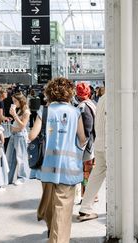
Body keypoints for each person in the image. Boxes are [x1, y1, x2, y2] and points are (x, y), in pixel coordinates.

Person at [29, 77, 86, 242]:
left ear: (50, 93)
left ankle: (50, 227)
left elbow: (32, 136)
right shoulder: (76, 113)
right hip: (68, 168)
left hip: (47, 167)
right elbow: (82, 138)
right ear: (70, 93)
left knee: (50, 203)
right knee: (63, 208)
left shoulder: (45, 111)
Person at [78, 93, 106, 222]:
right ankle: (117, 210)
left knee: (95, 175)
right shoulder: (91, 103)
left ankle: (85, 207)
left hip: (100, 143)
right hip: (110, 145)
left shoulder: (102, 99)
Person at [75, 83, 96, 204]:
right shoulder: (92, 104)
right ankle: (91, 195)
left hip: (86, 146)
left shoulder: (82, 107)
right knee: (89, 171)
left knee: (86, 172)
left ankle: (87, 195)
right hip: (92, 144)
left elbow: (87, 127)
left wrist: (82, 143)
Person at [6, 92, 30, 185]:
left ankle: (22, 177)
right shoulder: (20, 110)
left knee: (21, 158)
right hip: (13, 134)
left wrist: (14, 115)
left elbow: (22, 126)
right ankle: (8, 177)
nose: (14, 103)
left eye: (15, 101)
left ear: (21, 101)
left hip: (20, 136)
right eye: (13, 101)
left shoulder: (26, 111)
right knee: (10, 157)